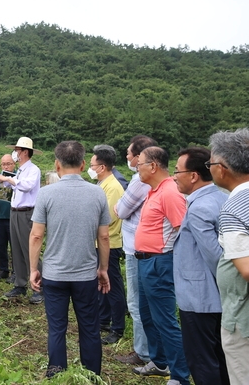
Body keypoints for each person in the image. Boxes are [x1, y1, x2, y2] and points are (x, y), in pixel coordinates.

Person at [29, 140, 111, 378]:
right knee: (89, 328)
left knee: (56, 329)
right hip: (86, 275)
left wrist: (34, 269)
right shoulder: (97, 193)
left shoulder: (46, 194)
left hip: (54, 274)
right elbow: (104, 237)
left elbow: (36, 235)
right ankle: (92, 376)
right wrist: (103, 268)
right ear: (84, 164)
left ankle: (56, 374)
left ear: (57, 165)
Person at [133, 146, 190, 385]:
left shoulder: (170, 193)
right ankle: (160, 361)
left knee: (165, 320)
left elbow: (183, 231)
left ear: (153, 166)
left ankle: (180, 375)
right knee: (148, 316)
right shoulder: (154, 191)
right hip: (145, 261)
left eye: (140, 165)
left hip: (159, 262)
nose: (137, 169)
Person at [172, 147, 229, 385]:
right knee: (222, 357)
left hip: (200, 299)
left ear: (194, 175)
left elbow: (217, 258)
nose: (174, 176)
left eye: (177, 171)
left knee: (202, 360)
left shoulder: (199, 209)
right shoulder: (222, 197)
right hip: (221, 299)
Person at [208, 128, 249, 385]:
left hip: (242, 318)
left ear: (222, 168)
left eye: (210, 163)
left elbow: (245, 269)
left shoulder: (233, 208)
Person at [113, 135, 156, 365]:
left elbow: (121, 209)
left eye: (130, 154)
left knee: (138, 303)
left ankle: (144, 352)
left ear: (140, 156)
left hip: (136, 249)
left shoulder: (140, 182)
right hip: (141, 248)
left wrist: (118, 206)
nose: (127, 157)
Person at [0, 137, 43, 304]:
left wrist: (6, 179)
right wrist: (3, 181)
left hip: (27, 213)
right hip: (15, 212)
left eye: (17, 151)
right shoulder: (20, 170)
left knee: (29, 248)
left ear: (25, 152)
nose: (15, 154)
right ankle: (20, 283)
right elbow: (16, 187)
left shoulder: (33, 170)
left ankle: (40, 287)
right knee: (17, 248)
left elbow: (26, 186)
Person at [89, 144, 126, 345]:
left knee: (113, 286)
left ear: (102, 167)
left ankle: (117, 327)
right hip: (99, 242)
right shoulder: (103, 185)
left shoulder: (112, 187)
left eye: (93, 165)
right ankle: (103, 319)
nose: (91, 168)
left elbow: (108, 218)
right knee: (101, 284)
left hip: (109, 243)